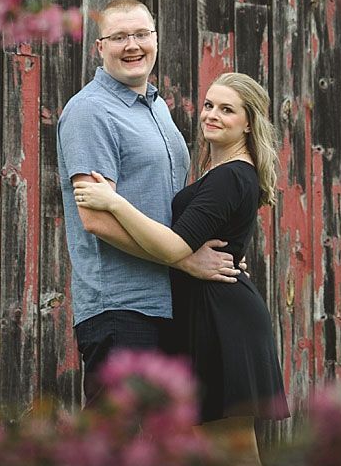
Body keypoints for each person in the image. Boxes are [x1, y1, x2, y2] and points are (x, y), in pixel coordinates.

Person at [73, 71, 290, 461]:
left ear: (248, 123)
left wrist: (115, 202)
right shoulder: (221, 173)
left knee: (234, 448)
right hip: (208, 312)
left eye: (227, 110)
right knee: (209, 448)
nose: (212, 115)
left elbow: (174, 247)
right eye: (209, 105)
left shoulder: (230, 176)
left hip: (222, 318)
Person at [57, 0, 242, 404]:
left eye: (141, 34)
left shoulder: (156, 108)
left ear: (156, 39)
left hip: (171, 304)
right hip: (122, 308)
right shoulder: (90, 112)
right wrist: (185, 259)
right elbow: (96, 220)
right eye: (119, 36)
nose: (132, 45)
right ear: (99, 47)